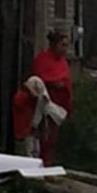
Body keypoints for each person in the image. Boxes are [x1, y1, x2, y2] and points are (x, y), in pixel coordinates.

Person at [32, 29, 74, 166]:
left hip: (60, 104)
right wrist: (54, 83)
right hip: (45, 104)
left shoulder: (63, 62)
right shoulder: (42, 59)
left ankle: (49, 163)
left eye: (67, 45)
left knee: (53, 139)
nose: (65, 49)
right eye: (62, 45)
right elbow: (38, 79)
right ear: (54, 45)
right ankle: (41, 164)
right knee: (44, 137)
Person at [11, 76, 67, 159]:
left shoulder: (37, 102)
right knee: (29, 154)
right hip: (26, 132)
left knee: (36, 152)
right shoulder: (22, 97)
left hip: (33, 131)